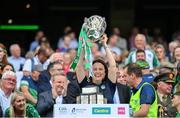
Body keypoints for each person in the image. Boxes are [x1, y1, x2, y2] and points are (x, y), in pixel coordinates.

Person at [76, 34, 117, 103]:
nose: (97, 71)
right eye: (95, 69)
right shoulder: (85, 83)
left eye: (100, 69)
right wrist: (84, 46)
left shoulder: (109, 84)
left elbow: (113, 66)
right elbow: (79, 67)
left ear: (105, 72)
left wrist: (104, 44)